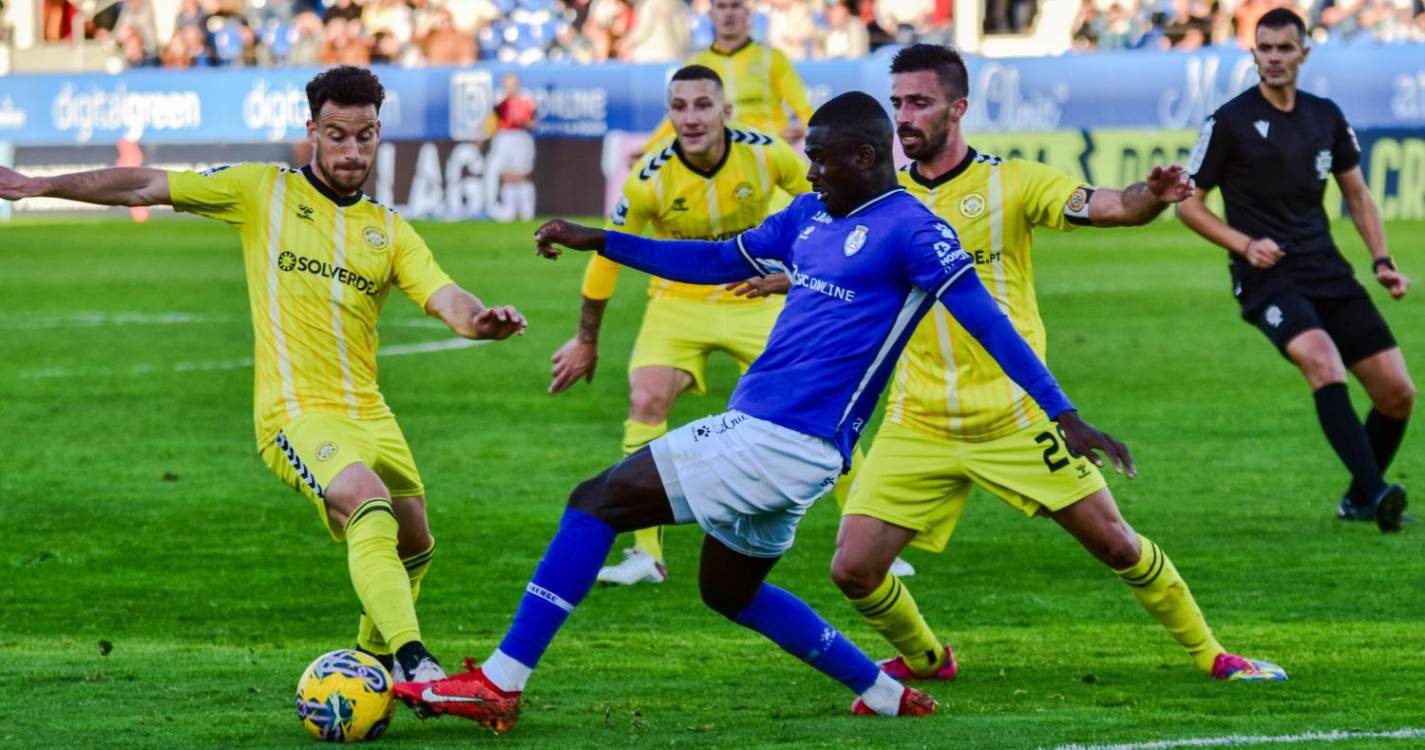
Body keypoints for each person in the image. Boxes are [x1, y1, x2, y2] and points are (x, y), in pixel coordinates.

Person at [393, 90, 1133, 732]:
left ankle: (500, 682)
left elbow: (990, 324)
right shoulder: (808, 215)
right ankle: (881, 692)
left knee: (595, 503)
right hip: (788, 446)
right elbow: (717, 260)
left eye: (822, 159)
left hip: (782, 439)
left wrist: (1063, 414)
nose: (809, 172)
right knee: (728, 590)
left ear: (866, 157)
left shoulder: (914, 231)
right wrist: (601, 241)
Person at [0, 65, 528, 686]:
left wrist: (479, 320)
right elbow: (144, 185)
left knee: (415, 542)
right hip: (295, 413)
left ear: (378, 134)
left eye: (364, 137)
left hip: (371, 413)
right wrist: (39, 184)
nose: (352, 152)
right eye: (337, 135)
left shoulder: (389, 230)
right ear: (312, 131)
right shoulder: (262, 190)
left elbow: (446, 297)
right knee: (368, 503)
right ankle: (416, 662)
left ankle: (375, 659)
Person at [826, 43, 1289, 687]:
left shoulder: (1013, 182)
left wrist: (1153, 196)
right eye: (898, 102)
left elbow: (1114, 206)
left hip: (1018, 417)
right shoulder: (880, 201)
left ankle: (1214, 654)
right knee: (853, 570)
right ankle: (928, 658)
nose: (904, 116)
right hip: (918, 422)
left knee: (1116, 543)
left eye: (921, 102)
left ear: (958, 108)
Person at [551, 65, 813, 586]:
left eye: (702, 105)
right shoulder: (649, 178)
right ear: (668, 114)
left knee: (816, 402)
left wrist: (800, 272)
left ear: (726, 111)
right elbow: (606, 257)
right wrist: (585, 339)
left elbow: (827, 206)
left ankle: (868, 534)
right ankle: (645, 555)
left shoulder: (767, 153)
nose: (690, 118)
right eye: (679, 106)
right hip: (677, 301)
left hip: (753, 296)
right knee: (646, 398)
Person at [1178, 9, 1413, 531]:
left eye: (1285, 48)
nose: (1274, 58)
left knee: (1397, 393)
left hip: (1327, 268)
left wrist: (1382, 260)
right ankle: (1377, 492)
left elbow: (1358, 196)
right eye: (1265, 48)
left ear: (1305, 53)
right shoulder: (1229, 122)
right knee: (1323, 364)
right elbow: (1189, 205)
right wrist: (1245, 245)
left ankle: (1358, 499)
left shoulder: (1325, 116)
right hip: (1267, 276)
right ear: (1253, 53)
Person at [643, 0, 813, 148]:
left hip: (768, 149)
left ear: (747, 13)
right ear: (711, 15)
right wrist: (647, 149)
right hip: (719, 154)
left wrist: (816, 136)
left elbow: (803, 108)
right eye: (722, 6)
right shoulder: (695, 62)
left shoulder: (773, 57)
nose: (729, 13)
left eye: (735, 5)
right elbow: (676, 117)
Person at [485, 72, 538, 222]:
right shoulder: (499, 101)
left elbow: (533, 122)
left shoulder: (526, 100)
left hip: (521, 137)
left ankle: (526, 210)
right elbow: (492, 121)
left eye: (513, 84)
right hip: (504, 137)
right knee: (506, 174)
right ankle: (509, 210)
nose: (510, 88)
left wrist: (522, 120)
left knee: (521, 174)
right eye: (508, 85)